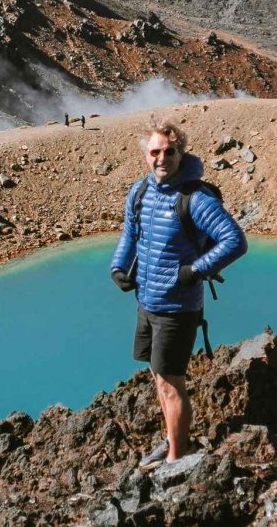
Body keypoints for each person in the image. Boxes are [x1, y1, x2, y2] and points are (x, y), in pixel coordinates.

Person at [109, 121, 246, 471]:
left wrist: (193, 271)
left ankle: (175, 458)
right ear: (146, 156)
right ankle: (173, 439)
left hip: (178, 308)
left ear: (181, 154)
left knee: (171, 383)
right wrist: (118, 268)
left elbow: (235, 241)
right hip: (148, 301)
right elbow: (130, 234)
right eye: (155, 152)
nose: (162, 158)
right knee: (159, 377)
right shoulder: (140, 191)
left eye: (169, 152)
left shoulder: (196, 198)